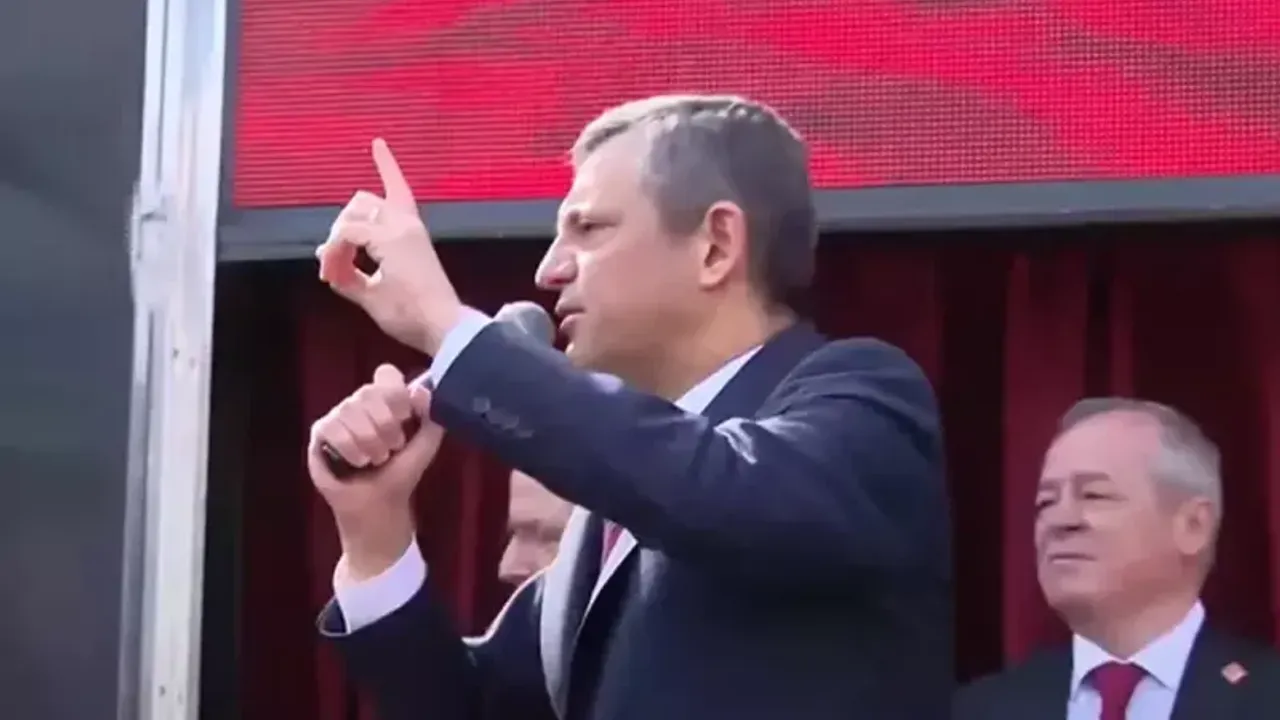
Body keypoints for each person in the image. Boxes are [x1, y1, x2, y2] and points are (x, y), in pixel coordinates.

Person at [308, 95, 953, 720]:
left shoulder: (865, 395)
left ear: (716, 245)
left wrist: (448, 328)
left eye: (587, 229)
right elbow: (476, 705)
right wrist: (375, 535)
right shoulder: (608, 518)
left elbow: (721, 488)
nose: (549, 269)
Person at [954, 398, 1280, 720]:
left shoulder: (1267, 697)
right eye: (1046, 502)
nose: (1059, 521)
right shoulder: (978, 709)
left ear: (1193, 525)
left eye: (1094, 495)